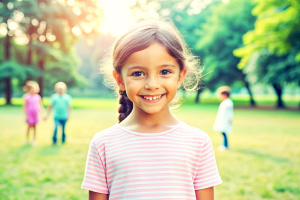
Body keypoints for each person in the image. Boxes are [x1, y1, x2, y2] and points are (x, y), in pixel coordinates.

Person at [81, 20, 222, 200]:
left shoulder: (198, 142)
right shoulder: (103, 144)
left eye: (164, 72)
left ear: (180, 76)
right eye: (138, 73)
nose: (152, 85)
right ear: (120, 80)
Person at [23, 80, 45, 145]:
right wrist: (25, 116)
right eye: (31, 89)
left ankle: (34, 139)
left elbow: (41, 106)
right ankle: (27, 139)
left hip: (35, 114)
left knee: (35, 127)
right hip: (29, 114)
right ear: (29, 89)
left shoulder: (37, 97)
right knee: (29, 126)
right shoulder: (26, 96)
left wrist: (43, 114)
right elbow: (24, 107)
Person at [213, 86, 234, 151]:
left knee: (224, 133)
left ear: (224, 95)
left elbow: (230, 112)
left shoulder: (228, 103)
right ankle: (224, 145)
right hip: (222, 120)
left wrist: (230, 119)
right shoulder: (225, 102)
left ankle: (225, 145)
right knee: (223, 133)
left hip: (225, 121)